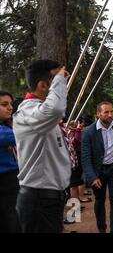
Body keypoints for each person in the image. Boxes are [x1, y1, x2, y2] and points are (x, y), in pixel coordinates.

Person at [13, 60, 71, 233]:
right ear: (42, 85)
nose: (62, 83)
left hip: (48, 199)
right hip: (39, 199)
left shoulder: (38, 112)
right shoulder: (28, 112)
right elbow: (55, 109)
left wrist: (58, 79)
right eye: (56, 81)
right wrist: (60, 80)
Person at [81, 101, 113, 233]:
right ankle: (101, 229)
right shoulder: (88, 132)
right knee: (100, 200)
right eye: (106, 112)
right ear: (98, 114)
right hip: (98, 171)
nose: (110, 115)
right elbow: (85, 157)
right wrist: (92, 177)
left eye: (111, 112)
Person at [0, 91, 20, 233]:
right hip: (6, 182)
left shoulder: (6, 127)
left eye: (11, 104)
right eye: (4, 104)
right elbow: (21, 135)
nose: (10, 108)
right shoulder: (6, 131)